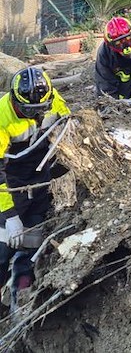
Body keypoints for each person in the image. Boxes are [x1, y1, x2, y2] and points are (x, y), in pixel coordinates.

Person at [0, 67, 71, 311]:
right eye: (29, 111)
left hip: (41, 178)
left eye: (41, 109)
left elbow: (68, 121)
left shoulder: (50, 99)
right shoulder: (2, 117)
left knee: (32, 241)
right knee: (3, 246)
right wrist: (9, 217)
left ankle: (21, 290)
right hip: (10, 182)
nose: (37, 114)